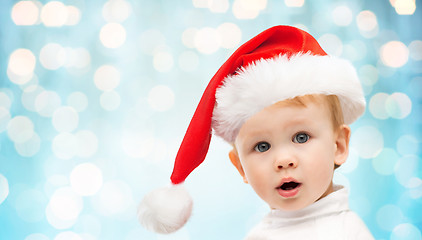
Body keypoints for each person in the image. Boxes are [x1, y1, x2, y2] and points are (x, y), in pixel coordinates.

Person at [137, 25, 374, 239]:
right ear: (241, 167)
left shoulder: (347, 232)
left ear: (339, 146)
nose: (283, 161)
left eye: (301, 137)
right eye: (262, 146)